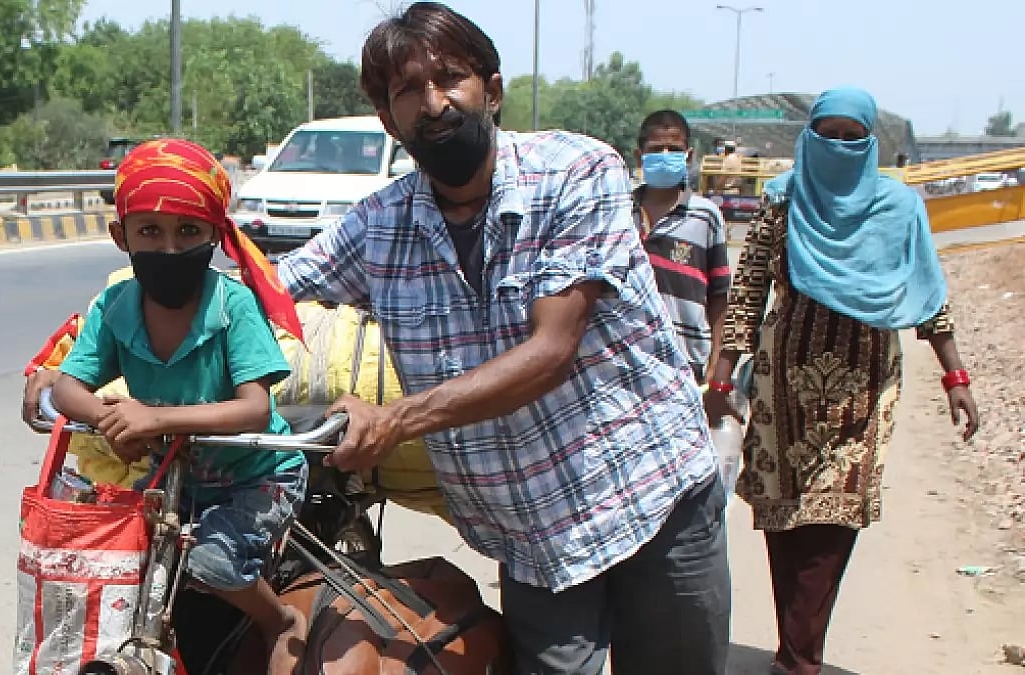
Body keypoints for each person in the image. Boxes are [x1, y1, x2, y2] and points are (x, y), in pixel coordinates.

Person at [276, 3, 730, 673]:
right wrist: (84, 351)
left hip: (652, 498)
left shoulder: (576, 173)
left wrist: (397, 416)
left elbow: (550, 351)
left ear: (492, 89)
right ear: (388, 120)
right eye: (407, 91)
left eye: (450, 77)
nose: (433, 103)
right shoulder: (379, 224)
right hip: (533, 534)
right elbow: (256, 295)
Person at [703, 86, 980, 675]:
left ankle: (802, 657)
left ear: (871, 142)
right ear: (809, 139)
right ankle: (794, 647)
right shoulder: (782, 202)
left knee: (835, 518)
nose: (837, 147)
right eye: (825, 136)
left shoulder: (899, 208)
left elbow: (927, 295)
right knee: (783, 513)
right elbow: (750, 290)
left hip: (864, 386)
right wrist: (722, 375)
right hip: (783, 383)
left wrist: (955, 375)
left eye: (851, 138)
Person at [49, 138, 309, 675]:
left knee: (211, 561)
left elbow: (254, 409)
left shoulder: (232, 304)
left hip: (256, 476)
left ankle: (279, 620)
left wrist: (155, 417)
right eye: (150, 232)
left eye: (188, 232)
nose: (169, 248)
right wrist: (106, 417)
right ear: (121, 237)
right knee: (107, 556)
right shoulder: (116, 305)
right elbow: (67, 387)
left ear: (214, 235)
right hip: (172, 478)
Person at [633, 109, 731, 385]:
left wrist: (715, 363)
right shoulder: (620, 212)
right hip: (628, 361)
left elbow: (719, 296)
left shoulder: (705, 216)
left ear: (688, 156)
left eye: (673, 149)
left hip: (686, 364)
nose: (665, 154)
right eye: (656, 149)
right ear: (639, 156)